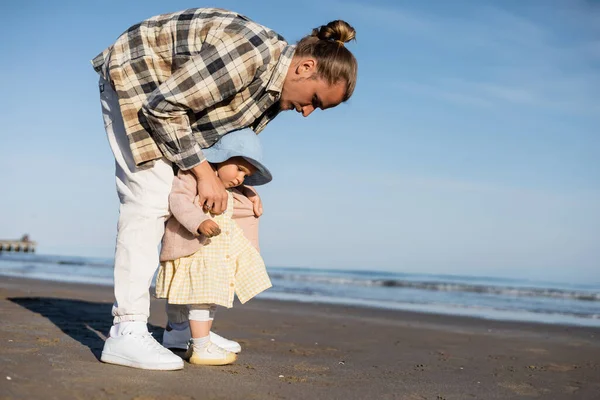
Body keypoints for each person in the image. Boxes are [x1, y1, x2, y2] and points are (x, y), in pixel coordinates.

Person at [92, 7, 358, 370]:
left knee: (190, 206)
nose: (308, 113)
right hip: (140, 79)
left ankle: (179, 330)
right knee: (150, 197)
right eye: (314, 100)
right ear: (306, 67)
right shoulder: (250, 53)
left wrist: (236, 188)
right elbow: (162, 109)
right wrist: (203, 174)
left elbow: (222, 150)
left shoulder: (276, 94)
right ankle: (127, 331)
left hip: (171, 109)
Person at [151, 129, 272, 366]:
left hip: (210, 258)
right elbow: (178, 200)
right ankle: (201, 344)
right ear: (220, 158)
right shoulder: (192, 177)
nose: (240, 179)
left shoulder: (231, 190)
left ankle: (180, 334)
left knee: (202, 296)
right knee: (193, 297)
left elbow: (243, 200)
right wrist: (199, 221)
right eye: (239, 169)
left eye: (246, 176)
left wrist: (251, 192)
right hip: (189, 249)